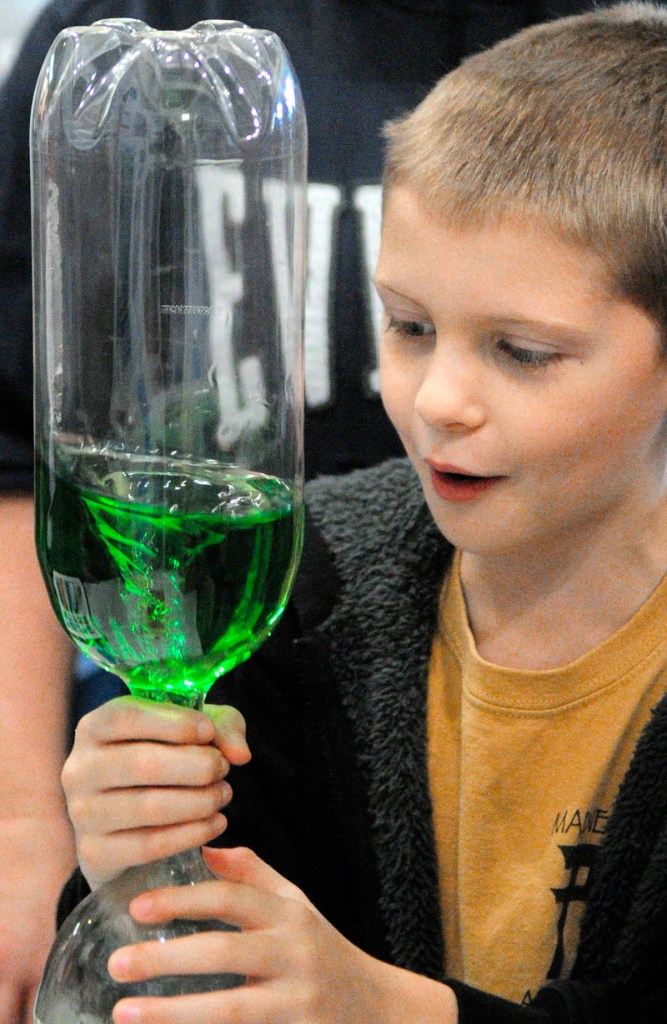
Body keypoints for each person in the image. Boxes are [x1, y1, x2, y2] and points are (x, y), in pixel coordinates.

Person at [4, 1, 640, 1021]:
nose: (436, 400)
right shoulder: (315, 599)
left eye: (520, 351)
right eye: (409, 326)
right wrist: (126, 852)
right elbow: (176, 965)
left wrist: (384, 1008)